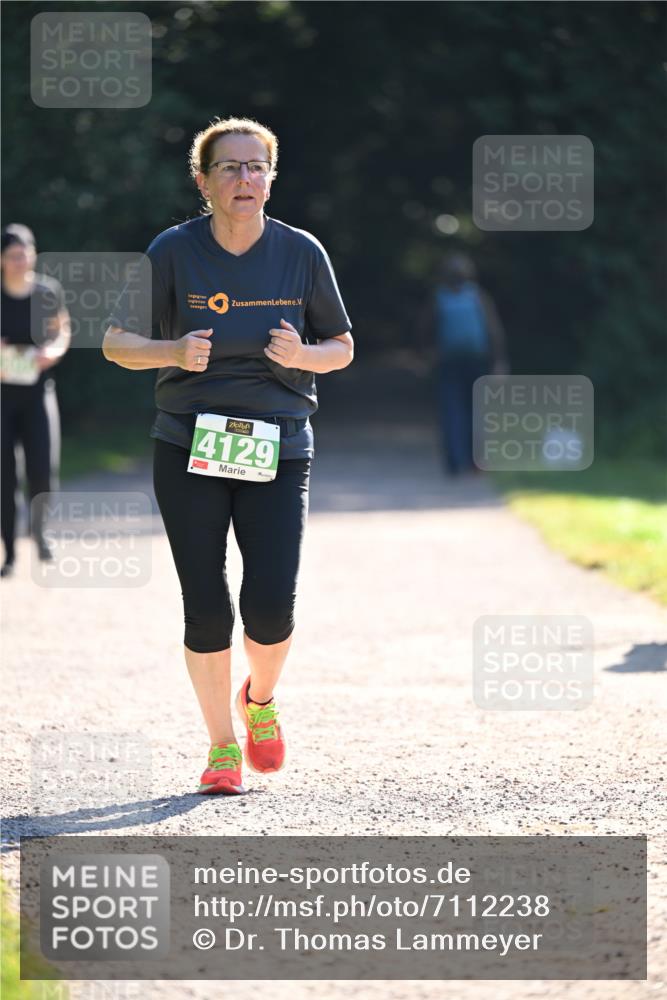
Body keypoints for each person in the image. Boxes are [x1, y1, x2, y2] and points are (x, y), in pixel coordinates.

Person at [102, 117, 353, 795]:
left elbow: (341, 347)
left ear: (270, 178)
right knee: (206, 606)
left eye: (255, 167)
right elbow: (117, 343)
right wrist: (172, 350)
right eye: (229, 167)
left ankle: (259, 700)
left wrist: (304, 355)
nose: (244, 179)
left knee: (270, 607)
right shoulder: (172, 250)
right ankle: (220, 747)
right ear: (203, 181)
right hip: (188, 443)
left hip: (279, 445)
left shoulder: (301, 252)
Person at [1, 224, 71, 578]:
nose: (21, 261)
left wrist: (52, 351)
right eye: (14, 255)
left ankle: (40, 532)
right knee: (5, 476)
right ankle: (10, 552)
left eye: (26, 253)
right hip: (2, 398)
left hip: (38, 393)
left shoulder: (47, 291)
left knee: (42, 469)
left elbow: (62, 330)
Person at [434, 252, 508, 476]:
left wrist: (427, 353)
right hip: (477, 360)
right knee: (478, 412)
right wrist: (500, 361)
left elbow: (425, 327)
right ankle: (477, 462)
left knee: (452, 411)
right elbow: (494, 330)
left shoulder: (440, 297)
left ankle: (455, 463)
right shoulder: (478, 296)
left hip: (449, 362)